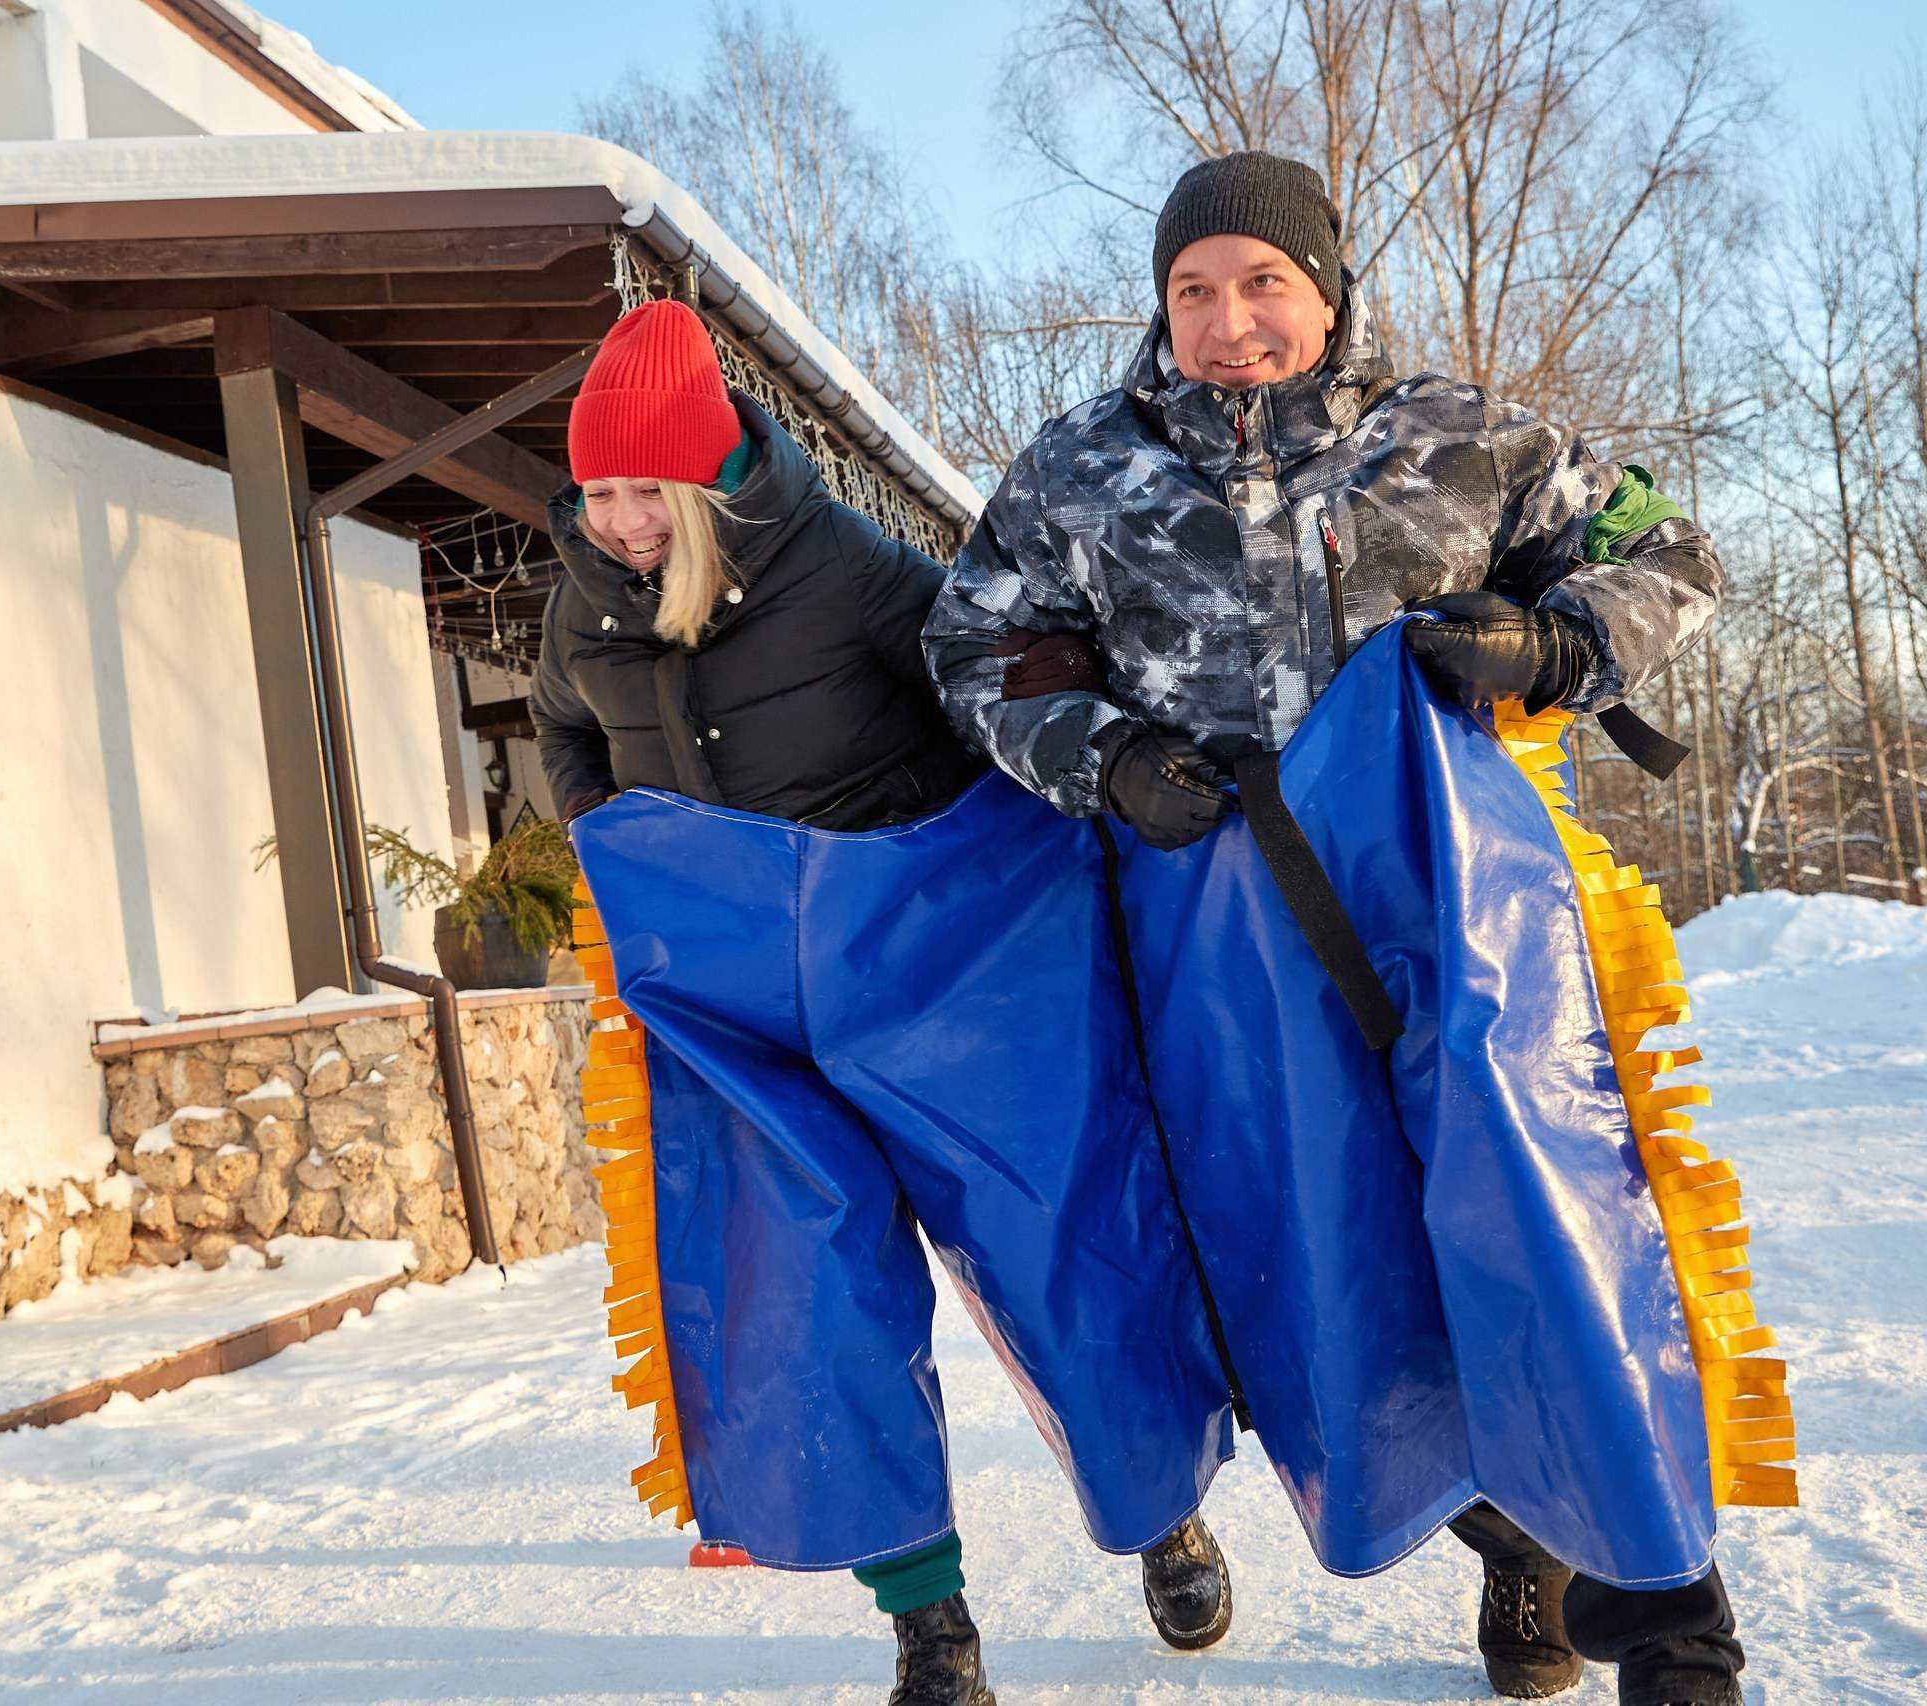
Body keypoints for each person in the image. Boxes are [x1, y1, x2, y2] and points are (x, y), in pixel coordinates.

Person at [925, 152, 1750, 1706]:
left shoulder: (1458, 437)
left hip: (1457, 910)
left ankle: (1666, 1612)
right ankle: (1505, 1536)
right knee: (1323, 1274)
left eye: (1263, 286)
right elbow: (972, 646)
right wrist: (1098, 755)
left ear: (1328, 291)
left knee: (1546, 1227)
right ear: (1161, 309)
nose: (1231, 322)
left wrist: (1561, 639)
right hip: (1222, 940)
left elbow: (1676, 556)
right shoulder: (1077, 470)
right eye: (1194, 292)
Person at [531, 299, 1237, 1706]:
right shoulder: (584, 601)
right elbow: (560, 723)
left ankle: (1161, 1514)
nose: (610, 520)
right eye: (596, 490)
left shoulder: (838, 563)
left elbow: (992, 679)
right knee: (813, 1297)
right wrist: (617, 847)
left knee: (1055, 1246)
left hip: (934, 969)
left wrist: (1036, 833)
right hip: (747, 1007)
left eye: (636, 491)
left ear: (701, 476)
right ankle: (931, 1624)